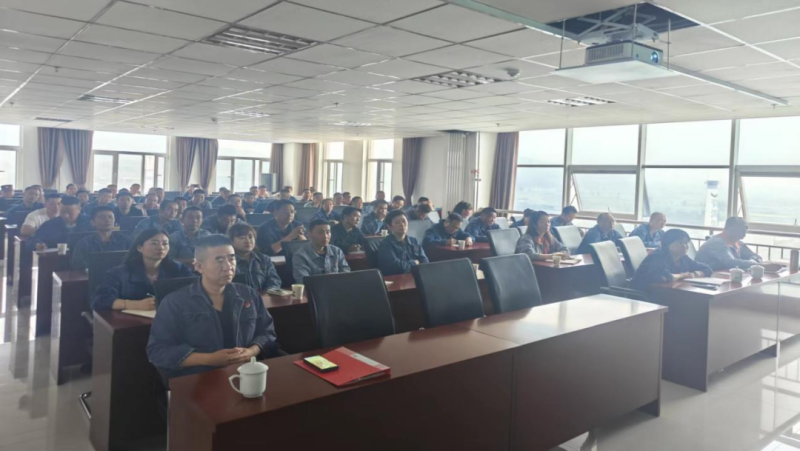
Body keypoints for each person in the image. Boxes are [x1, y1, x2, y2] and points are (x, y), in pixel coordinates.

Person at [147, 234, 281, 380]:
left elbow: (267, 331)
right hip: (199, 378)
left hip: (245, 372)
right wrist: (210, 359)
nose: (228, 267)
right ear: (199, 266)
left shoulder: (248, 294)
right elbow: (158, 351)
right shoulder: (175, 302)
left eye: (231, 258)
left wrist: (251, 352)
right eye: (219, 260)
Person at [92, 228, 194, 312]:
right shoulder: (119, 273)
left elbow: (196, 289)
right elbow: (101, 301)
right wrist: (135, 305)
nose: (161, 247)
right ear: (139, 248)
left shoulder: (178, 269)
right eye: (154, 243)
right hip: (130, 324)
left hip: (170, 320)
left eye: (165, 243)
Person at [631, 229, 713, 290]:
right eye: (680, 242)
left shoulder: (683, 258)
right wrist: (682, 275)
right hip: (646, 296)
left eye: (686, 243)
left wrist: (696, 274)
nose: (685, 246)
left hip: (669, 294)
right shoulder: (657, 256)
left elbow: (707, 269)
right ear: (667, 244)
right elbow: (663, 276)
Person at [695, 217, 782, 271]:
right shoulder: (717, 242)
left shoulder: (738, 242)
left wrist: (754, 261)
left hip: (725, 276)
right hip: (706, 277)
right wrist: (759, 265)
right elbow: (730, 262)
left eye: (746, 228)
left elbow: (755, 256)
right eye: (741, 228)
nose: (744, 231)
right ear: (729, 228)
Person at [71, 206, 132, 271]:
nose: (107, 220)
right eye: (102, 217)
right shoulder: (84, 244)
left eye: (110, 217)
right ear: (92, 222)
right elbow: (77, 267)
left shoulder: (126, 241)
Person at [292, 219, 350, 284]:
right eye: (320, 233)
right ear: (310, 234)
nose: (325, 236)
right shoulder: (300, 255)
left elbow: (346, 275)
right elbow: (303, 282)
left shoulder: (337, 251)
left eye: (328, 232)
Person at [229, 223, 281, 292]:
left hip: (263, 297)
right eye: (242, 238)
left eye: (250, 237)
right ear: (231, 241)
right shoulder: (229, 261)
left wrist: (265, 295)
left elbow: (274, 281)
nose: (248, 241)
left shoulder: (264, 259)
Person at [377, 210, 428, 276]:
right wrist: (415, 263)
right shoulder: (386, 244)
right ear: (389, 226)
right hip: (396, 278)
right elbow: (396, 267)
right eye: (397, 222)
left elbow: (425, 261)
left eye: (404, 221)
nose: (402, 224)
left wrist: (411, 265)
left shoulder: (413, 241)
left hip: (414, 276)